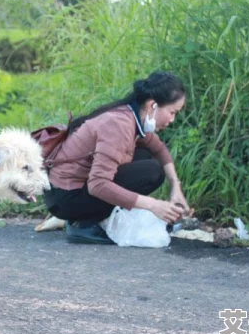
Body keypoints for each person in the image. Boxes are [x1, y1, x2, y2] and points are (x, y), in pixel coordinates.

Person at [43, 71, 190, 244]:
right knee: (152, 172)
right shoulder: (119, 125)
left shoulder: (133, 116)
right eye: (172, 112)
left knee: (146, 155)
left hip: (68, 191)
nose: (173, 119)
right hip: (65, 198)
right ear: (152, 106)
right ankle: (83, 223)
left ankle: (91, 217)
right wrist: (153, 205)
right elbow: (98, 185)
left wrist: (175, 186)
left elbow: (159, 149)